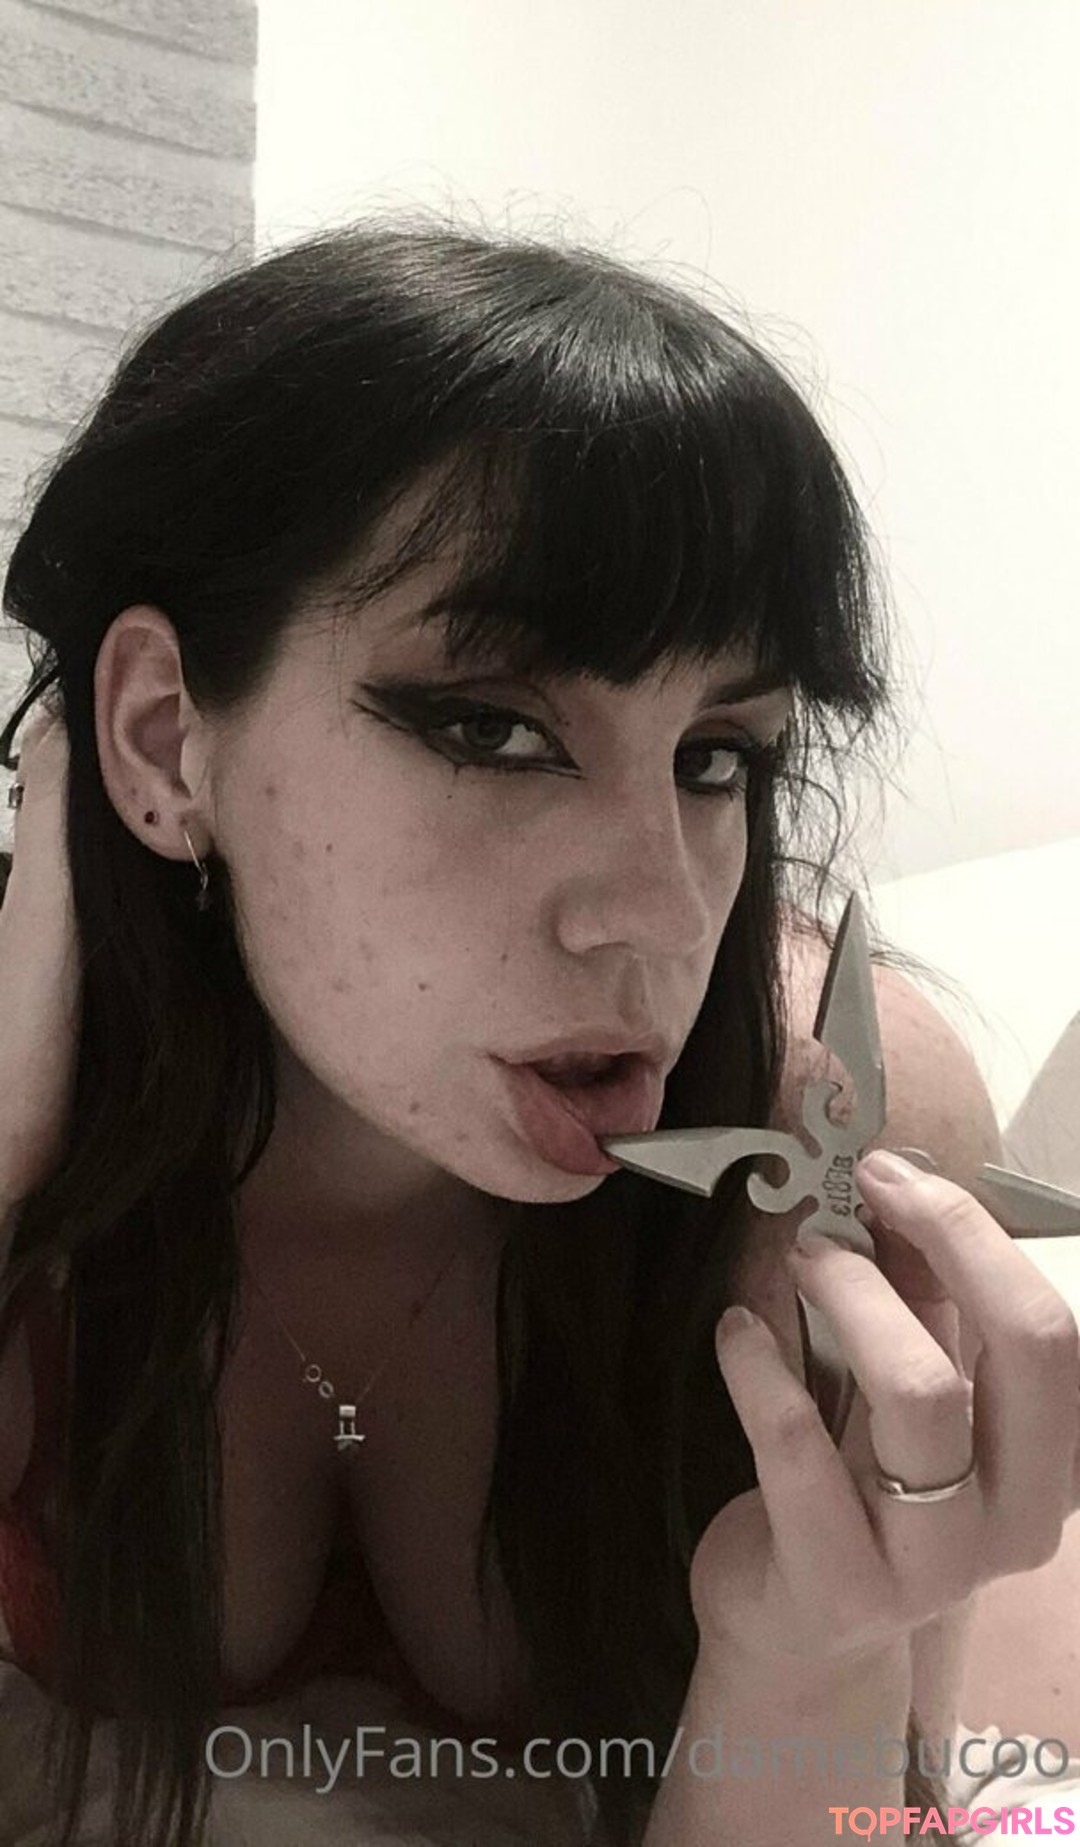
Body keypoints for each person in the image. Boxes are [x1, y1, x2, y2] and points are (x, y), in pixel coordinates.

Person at [0, 215, 1076, 1847]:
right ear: (163, 739)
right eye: (494, 729)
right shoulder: (30, 1099)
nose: (661, 914)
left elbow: (869, 1811)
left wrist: (803, 1659)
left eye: (718, 757)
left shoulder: (839, 1129)